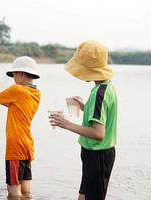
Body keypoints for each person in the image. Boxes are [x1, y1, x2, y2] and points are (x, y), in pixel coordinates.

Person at [49, 41, 117, 200]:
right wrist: (85, 108)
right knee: (83, 196)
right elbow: (101, 118)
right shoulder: (106, 87)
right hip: (93, 153)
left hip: (98, 155)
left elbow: (98, 133)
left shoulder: (99, 94)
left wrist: (66, 124)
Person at [0, 56, 41, 199]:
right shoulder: (35, 93)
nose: (13, 78)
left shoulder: (17, 89)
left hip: (15, 145)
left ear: (21, 74)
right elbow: (8, 101)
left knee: (13, 191)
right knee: (26, 189)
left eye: (14, 74)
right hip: (27, 144)